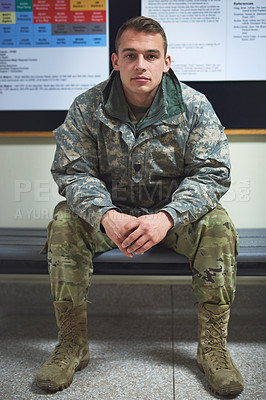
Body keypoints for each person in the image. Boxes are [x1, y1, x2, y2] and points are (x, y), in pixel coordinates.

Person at [36, 16, 244, 396]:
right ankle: (72, 344)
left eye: (151, 55)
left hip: (172, 218)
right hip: (111, 217)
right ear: (115, 60)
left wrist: (167, 217)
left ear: (167, 62)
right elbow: (71, 172)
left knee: (218, 225)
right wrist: (105, 215)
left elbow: (212, 173)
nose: (140, 65)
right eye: (130, 55)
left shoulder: (194, 107)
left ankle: (212, 346)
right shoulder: (88, 106)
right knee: (64, 221)